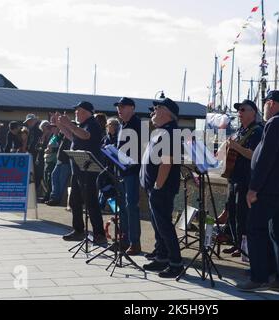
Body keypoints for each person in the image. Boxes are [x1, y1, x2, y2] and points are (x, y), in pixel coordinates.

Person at [237, 90, 279, 293]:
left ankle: (259, 277)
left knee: (255, 229)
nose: (264, 108)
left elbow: (266, 158)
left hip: (269, 190)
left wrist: (253, 189)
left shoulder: (274, 123)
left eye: (264, 104)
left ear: (270, 103)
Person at [140, 97, 183, 278]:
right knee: (158, 226)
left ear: (167, 112)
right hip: (155, 187)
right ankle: (162, 257)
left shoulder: (171, 132)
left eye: (157, 108)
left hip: (162, 188)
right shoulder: (161, 131)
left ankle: (175, 263)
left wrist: (158, 185)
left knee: (164, 225)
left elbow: (167, 161)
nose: (153, 112)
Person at [53, 102, 107, 245]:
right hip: (78, 169)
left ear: (87, 112)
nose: (76, 113)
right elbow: (73, 137)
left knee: (91, 202)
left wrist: (68, 124)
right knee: (74, 201)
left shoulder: (92, 123)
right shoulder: (82, 125)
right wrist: (60, 125)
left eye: (79, 110)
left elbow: (85, 136)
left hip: (89, 169)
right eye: (76, 111)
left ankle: (99, 234)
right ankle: (78, 231)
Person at [223, 100, 263, 257]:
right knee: (231, 211)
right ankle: (236, 243)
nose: (239, 113)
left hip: (246, 179)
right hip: (234, 178)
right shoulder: (240, 130)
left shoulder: (257, 131)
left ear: (253, 112)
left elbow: (254, 154)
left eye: (243, 109)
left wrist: (236, 147)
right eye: (238, 110)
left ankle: (244, 247)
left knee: (242, 215)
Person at [114, 97, 143, 255]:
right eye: (118, 107)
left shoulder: (138, 125)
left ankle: (134, 243)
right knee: (123, 209)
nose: (119, 109)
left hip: (132, 172)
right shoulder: (121, 125)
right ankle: (124, 240)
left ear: (132, 108)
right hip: (121, 172)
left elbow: (143, 150)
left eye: (123, 106)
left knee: (132, 207)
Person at [23, 114, 43, 188]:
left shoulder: (38, 129)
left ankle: (35, 191)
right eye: (28, 122)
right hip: (31, 154)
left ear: (34, 120)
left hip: (36, 155)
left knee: (36, 173)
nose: (29, 123)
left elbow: (38, 143)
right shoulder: (30, 130)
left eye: (30, 121)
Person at [43, 124, 61, 203]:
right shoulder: (53, 137)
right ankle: (47, 195)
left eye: (53, 127)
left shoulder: (59, 137)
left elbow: (58, 148)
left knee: (50, 179)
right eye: (51, 128)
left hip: (53, 160)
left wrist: (51, 150)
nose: (52, 129)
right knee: (46, 179)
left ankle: (49, 196)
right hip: (48, 159)